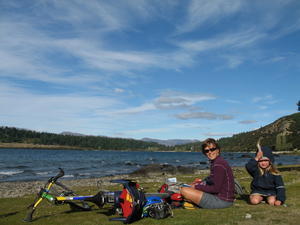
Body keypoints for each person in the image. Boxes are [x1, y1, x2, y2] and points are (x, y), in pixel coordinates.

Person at [180, 138, 235, 209]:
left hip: (222, 200)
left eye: (212, 149)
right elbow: (213, 180)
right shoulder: (217, 162)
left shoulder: (219, 165)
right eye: (207, 150)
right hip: (222, 198)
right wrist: (200, 183)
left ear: (218, 150)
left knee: (184, 191)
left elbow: (215, 189)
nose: (210, 152)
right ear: (204, 153)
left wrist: (196, 187)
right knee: (189, 188)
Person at [245, 142, 286, 206]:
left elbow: (280, 187)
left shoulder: (275, 173)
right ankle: (261, 198)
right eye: (261, 161)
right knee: (254, 201)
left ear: (270, 161)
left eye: (266, 160)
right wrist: (257, 157)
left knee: (272, 202)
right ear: (258, 162)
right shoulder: (256, 170)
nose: (263, 163)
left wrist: (280, 199)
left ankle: (267, 199)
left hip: (271, 192)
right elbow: (248, 166)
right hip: (257, 191)